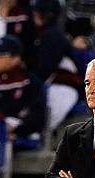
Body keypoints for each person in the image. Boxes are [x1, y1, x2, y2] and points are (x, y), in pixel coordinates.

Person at [31, 0, 81, 132]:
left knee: (40, 126)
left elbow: (45, 68)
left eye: (38, 12)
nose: (34, 15)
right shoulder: (42, 34)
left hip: (63, 87)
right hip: (53, 86)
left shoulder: (53, 35)